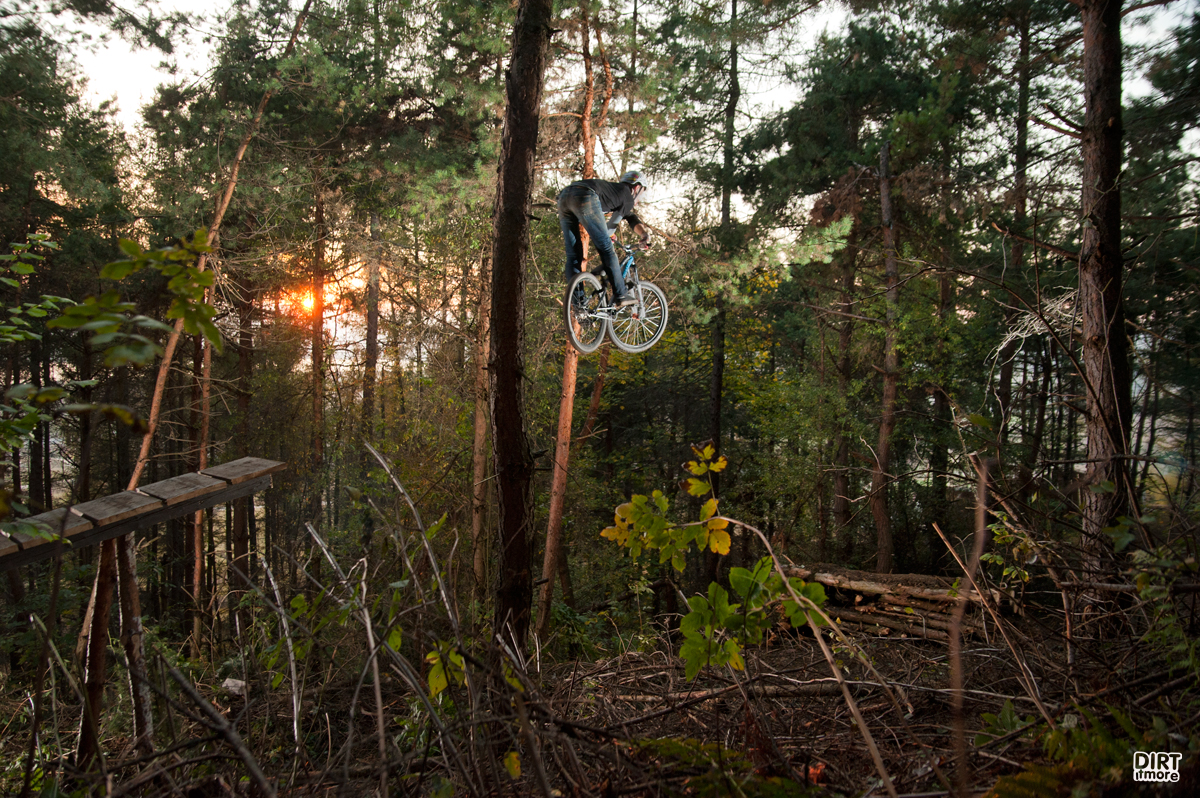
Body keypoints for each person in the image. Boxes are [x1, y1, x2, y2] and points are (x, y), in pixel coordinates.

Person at [558, 170, 652, 309]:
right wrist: (610, 234)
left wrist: (644, 233)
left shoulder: (615, 192)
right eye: (641, 194)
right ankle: (620, 294)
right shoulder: (627, 196)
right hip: (585, 195)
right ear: (636, 188)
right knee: (607, 249)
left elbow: (630, 217)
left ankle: (579, 305)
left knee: (573, 255)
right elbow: (610, 228)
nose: (637, 202)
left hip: (564, 197)